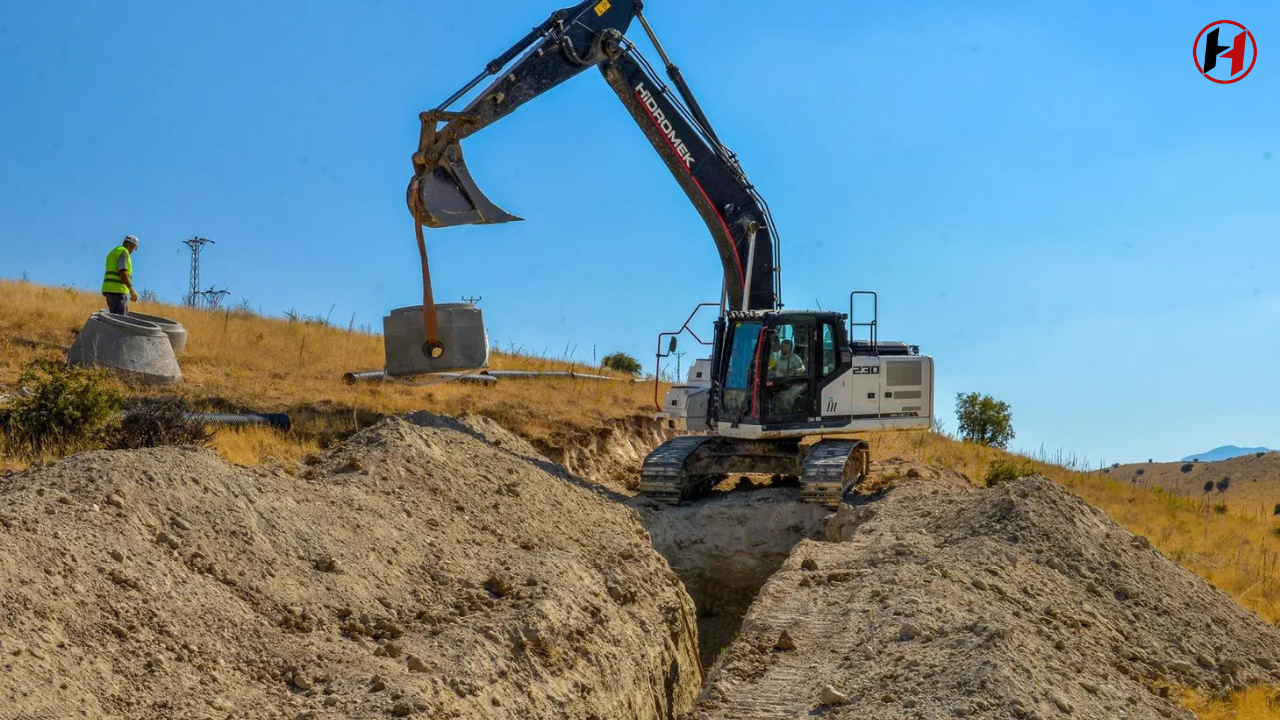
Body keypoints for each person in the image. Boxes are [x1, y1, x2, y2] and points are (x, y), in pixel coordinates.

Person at [102, 235, 139, 315]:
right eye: (134, 248)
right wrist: (131, 290)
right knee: (120, 321)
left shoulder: (113, 252)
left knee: (120, 316)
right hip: (117, 291)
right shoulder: (123, 252)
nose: (132, 251)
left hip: (110, 290)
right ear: (131, 245)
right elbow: (122, 272)